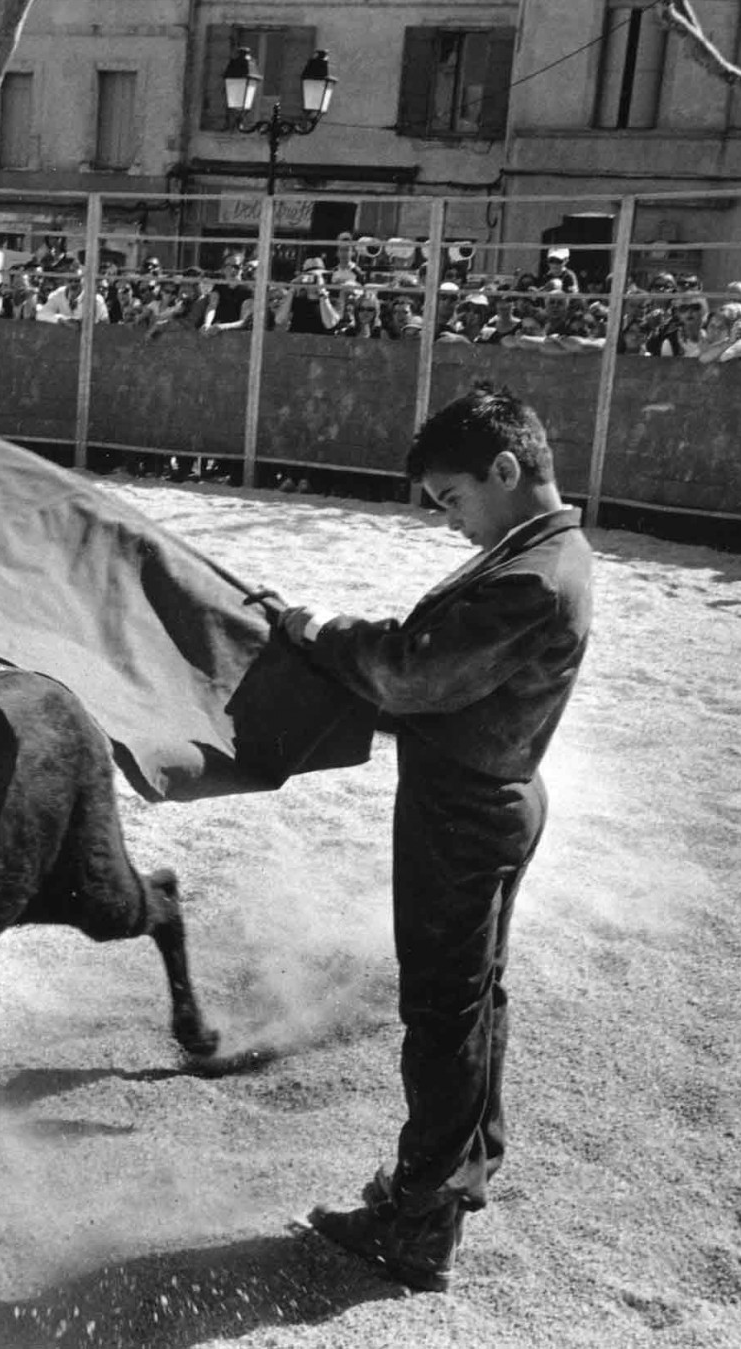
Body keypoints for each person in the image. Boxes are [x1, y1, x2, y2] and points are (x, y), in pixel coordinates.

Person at [265, 381, 592, 1295]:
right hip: (488, 794)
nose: (450, 522)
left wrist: (319, 628)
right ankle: (460, 1174)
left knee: (443, 1014)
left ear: (504, 468)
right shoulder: (545, 551)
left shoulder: (531, 574)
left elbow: (411, 675)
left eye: (454, 499)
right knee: (473, 1000)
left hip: (465, 810)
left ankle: (419, 1224)